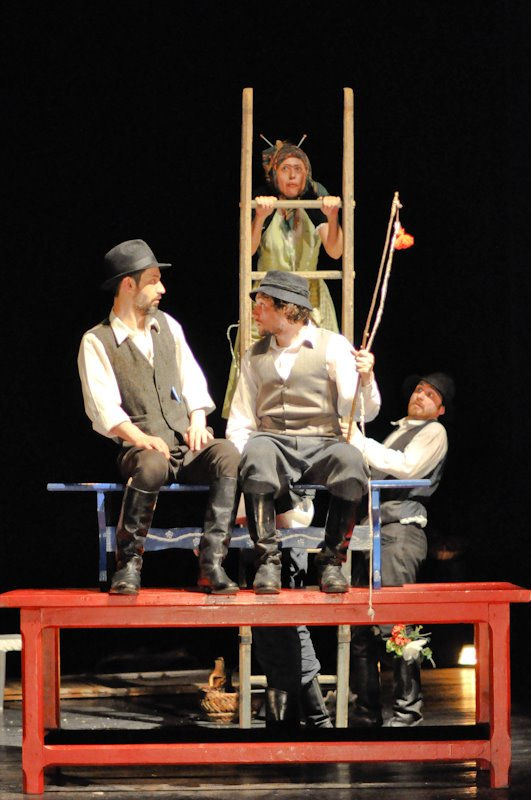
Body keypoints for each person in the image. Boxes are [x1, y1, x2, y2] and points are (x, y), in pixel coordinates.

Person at [226, 269, 380, 729]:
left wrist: (367, 379)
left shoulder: (332, 346)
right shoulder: (254, 355)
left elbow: (362, 410)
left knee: (352, 463)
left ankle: (332, 559)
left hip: (321, 441)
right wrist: (240, 471)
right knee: (254, 454)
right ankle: (268, 558)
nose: (256, 311)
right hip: (273, 442)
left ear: (287, 309)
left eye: (263, 304)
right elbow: (241, 420)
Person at [78, 239, 241, 596]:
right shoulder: (97, 340)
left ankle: (212, 562)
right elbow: (102, 406)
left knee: (227, 453)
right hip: (140, 449)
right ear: (128, 284)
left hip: (184, 445)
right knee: (151, 464)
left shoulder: (167, 326)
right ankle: (128, 565)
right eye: (153, 280)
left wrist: (197, 420)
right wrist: (140, 438)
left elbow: (192, 379)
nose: (162, 288)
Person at [345, 371, 455, 727]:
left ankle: (408, 710)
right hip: (371, 533)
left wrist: (360, 441)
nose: (420, 396)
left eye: (431, 395)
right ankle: (366, 711)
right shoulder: (399, 431)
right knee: (361, 628)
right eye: (419, 390)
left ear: (441, 409)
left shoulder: (433, 432)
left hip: (399, 532)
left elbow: (406, 466)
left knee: (395, 625)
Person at [222, 139, 342, 418]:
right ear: (275, 174)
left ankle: (318, 418)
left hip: (309, 294)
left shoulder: (314, 201)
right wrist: (259, 216)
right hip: (269, 295)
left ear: (306, 174)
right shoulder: (263, 198)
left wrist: (333, 216)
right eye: (285, 168)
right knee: (260, 360)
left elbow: (335, 251)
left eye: (298, 169)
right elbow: (247, 251)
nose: (291, 175)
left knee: (316, 359)